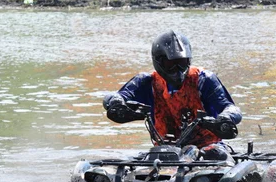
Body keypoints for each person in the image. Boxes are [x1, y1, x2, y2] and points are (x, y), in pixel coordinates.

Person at [103, 30, 241, 160]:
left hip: (208, 149)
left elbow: (231, 108)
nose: (178, 70)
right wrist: (116, 102)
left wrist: (225, 117)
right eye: (171, 64)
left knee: (216, 155)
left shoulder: (204, 79)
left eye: (181, 63)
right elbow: (114, 97)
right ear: (158, 62)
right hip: (164, 152)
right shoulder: (146, 82)